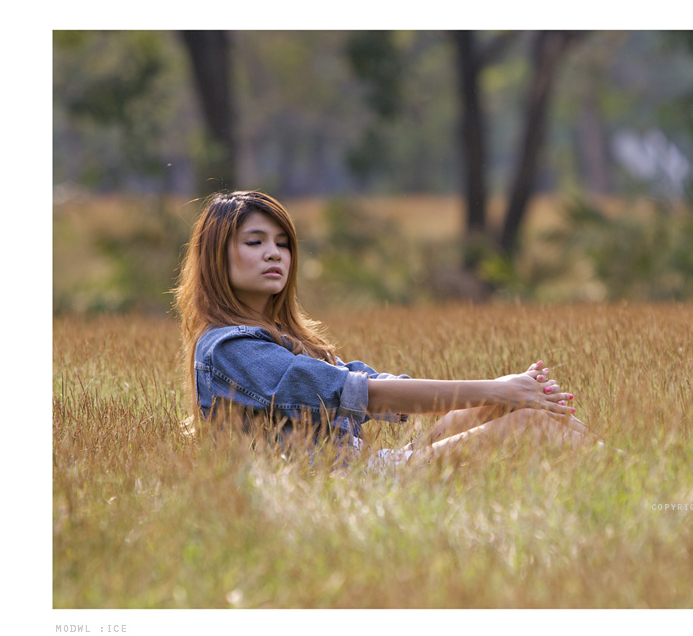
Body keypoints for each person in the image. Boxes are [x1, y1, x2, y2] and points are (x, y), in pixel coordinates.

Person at [173, 190, 588, 471]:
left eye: (282, 243)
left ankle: (619, 472)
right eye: (255, 242)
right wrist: (498, 389)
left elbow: (370, 382)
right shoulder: (230, 349)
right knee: (525, 421)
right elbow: (361, 394)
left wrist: (503, 393)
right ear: (216, 256)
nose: (274, 254)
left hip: (365, 470)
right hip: (336, 492)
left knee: (514, 411)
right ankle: (624, 478)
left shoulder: (286, 339)